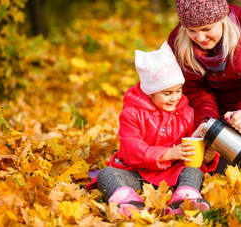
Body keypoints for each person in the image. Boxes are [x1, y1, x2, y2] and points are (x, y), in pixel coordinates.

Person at [92, 42, 220, 217]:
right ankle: (127, 201)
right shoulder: (132, 113)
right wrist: (168, 154)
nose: (174, 98)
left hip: (172, 173)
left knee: (192, 171)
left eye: (178, 91)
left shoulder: (186, 112)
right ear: (150, 92)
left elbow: (192, 143)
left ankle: (185, 198)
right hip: (138, 173)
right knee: (106, 174)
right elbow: (132, 149)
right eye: (167, 93)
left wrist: (206, 155)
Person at [167, 0, 241, 182]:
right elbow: (197, 92)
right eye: (192, 30)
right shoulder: (178, 39)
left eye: (207, 29)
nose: (200, 38)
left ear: (223, 18)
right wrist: (206, 122)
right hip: (217, 112)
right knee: (218, 175)